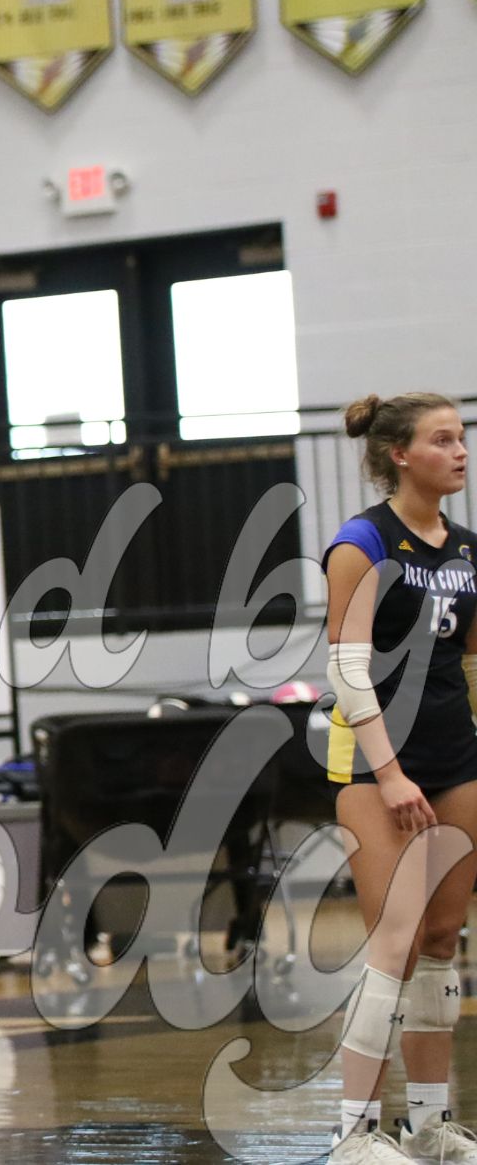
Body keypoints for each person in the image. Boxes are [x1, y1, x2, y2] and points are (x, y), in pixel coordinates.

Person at [319, 392, 476, 1164]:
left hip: (455, 760)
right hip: (375, 763)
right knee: (397, 942)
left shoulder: (467, 551)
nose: (460, 450)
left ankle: (427, 1126)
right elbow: (347, 671)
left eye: (461, 437)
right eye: (442, 439)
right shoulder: (362, 543)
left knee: (443, 939)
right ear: (399, 454)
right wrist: (389, 774)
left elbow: (471, 662)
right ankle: (353, 1133)